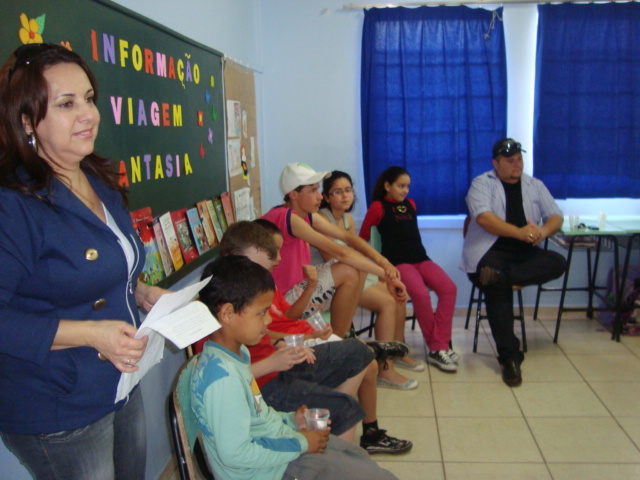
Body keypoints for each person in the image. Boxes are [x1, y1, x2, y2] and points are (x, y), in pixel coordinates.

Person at [0, 43, 167, 479]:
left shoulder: (98, 178)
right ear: (27, 120)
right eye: (66, 103)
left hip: (119, 382)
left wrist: (141, 291)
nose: (88, 114)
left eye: (89, 99)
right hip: (58, 403)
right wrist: (91, 334)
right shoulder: (13, 203)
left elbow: (96, 266)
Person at [192, 255, 400, 480]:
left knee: (356, 457)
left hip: (278, 451)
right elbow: (235, 454)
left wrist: (291, 420)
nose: (268, 321)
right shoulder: (222, 379)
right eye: (261, 313)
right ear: (227, 313)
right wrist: (301, 443)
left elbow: (259, 415)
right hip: (269, 471)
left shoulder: (237, 354)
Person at [218, 220, 413, 453]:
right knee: (347, 407)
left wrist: (284, 342)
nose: (278, 261)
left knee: (358, 353)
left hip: (281, 361)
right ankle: (333, 449)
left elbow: (270, 330)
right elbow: (228, 379)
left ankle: (366, 357)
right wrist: (279, 354)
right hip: (265, 384)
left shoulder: (252, 288)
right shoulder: (221, 307)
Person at [460, 138, 567, 387]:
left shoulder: (534, 185)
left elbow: (556, 216)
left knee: (558, 262)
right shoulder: (481, 184)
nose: (517, 165)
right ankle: (509, 358)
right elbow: (484, 218)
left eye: (519, 159)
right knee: (495, 284)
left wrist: (542, 232)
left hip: (522, 256)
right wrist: (519, 232)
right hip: (489, 252)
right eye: (510, 161)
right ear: (495, 163)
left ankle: (501, 276)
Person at [262, 162, 408, 339]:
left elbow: (348, 238)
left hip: (299, 290)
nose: (319, 196)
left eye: (318, 189)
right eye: (313, 191)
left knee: (358, 269)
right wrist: (387, 274)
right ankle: (338, 340)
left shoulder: (306, 215)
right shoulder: (286, 217)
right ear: (294, 194)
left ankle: (343, 336)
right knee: (348, 269)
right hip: (282, 302)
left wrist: (384, 263)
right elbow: (341, 252)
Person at [314, 170, 425, 389]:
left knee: (397, 297)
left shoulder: (347, 218)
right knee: (387, 303)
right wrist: (379, 270)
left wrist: (380, 271)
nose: (345, 196)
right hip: (335, 281)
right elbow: (334, 258)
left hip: (356, 272)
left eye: (348, 190)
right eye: (338, 192)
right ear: (326, 196)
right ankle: (385, 369)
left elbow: (356, 250)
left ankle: (396, 352)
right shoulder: (322, 219)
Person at [360, 166, 459, 373]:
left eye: (407, 186)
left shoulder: (411, 204)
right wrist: (373, 268)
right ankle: (438, 348)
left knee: (449, 289)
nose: (405, 190)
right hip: (398, 263)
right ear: (387, 186)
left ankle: (438, 344)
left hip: (421, 259)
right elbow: (362, 239)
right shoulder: (378, 207)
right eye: (400, 186)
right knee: (421, 295)